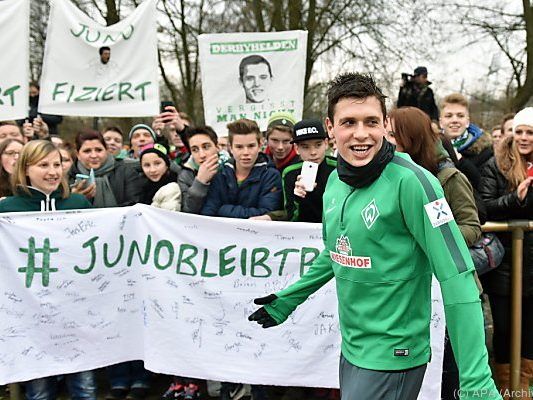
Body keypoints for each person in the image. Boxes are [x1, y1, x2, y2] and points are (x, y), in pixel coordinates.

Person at [249, 73, 500, 400]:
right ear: (330, 127)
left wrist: (476, 380)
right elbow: (337, 252)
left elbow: (459, 278)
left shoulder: (414, 183)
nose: (361, 134)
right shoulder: (336, 182)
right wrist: (288, 299)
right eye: (349, 122)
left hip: (395, 352)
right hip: (354, 346)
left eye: (370, 121)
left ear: (384, 124)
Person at [387, 106, 482, 400]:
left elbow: (472, 227)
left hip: (445, 287)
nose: (384, 139)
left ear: (409, 138)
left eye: (392, 134)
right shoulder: (389, 176)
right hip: (408, 288)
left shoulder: (449, 177)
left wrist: (433, 240)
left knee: (449, 368)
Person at [0, 140, 94, 400]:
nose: (53, 171)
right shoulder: (7, 209)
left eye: (57, 164)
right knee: (39, 391)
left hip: (76, 308)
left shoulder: (78, 203)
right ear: (25, 169)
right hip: (29, 312)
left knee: (84, 386)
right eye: (43, 165)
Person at [479, 107, 533, 399]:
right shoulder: (495, 163)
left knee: (529, 330)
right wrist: (517, 197)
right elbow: (485, 207)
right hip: (505, 262)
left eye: (530, 133)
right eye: (520, 131)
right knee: (503, 327)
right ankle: (505, 387)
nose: (523, 138)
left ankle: (522, 388)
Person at [201, 118, 281, 219]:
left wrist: (223, 209)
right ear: (230, 148)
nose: (245, 152)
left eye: (251, 146)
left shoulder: (271, 175)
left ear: (260, 145)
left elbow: (266, 213)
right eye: (239, 147)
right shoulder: (220, 173)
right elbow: (208, 212)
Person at [70, 130, 145, 208]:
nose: (94, 155)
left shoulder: (126, 172)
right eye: (87, 151)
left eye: (99, 150)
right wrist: (75, 199)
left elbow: (134, 205)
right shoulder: (68, 176)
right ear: (78, 154)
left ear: (106, 150)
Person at [281, 118, 336, 222]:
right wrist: (297, 198)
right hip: (303, 234)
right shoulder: (289, 173)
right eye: (305, 147)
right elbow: (290, 218)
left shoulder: (338, 167)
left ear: (326, 143)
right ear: (296, 148)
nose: (313, 152)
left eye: (318, 145)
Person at [178, 126, 226, 214]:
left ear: (217, 147)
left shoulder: (231, 167)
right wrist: (200, 182)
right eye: (195, 150)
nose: (202, 155)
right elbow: (188, 211)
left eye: (206, 147)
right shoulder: (186, 175)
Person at [139, 143, 181, 211]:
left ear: (166, 165)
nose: (152, 170)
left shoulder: (174, 185)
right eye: (147, 165)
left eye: (157, 163)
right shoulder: (141, 186)